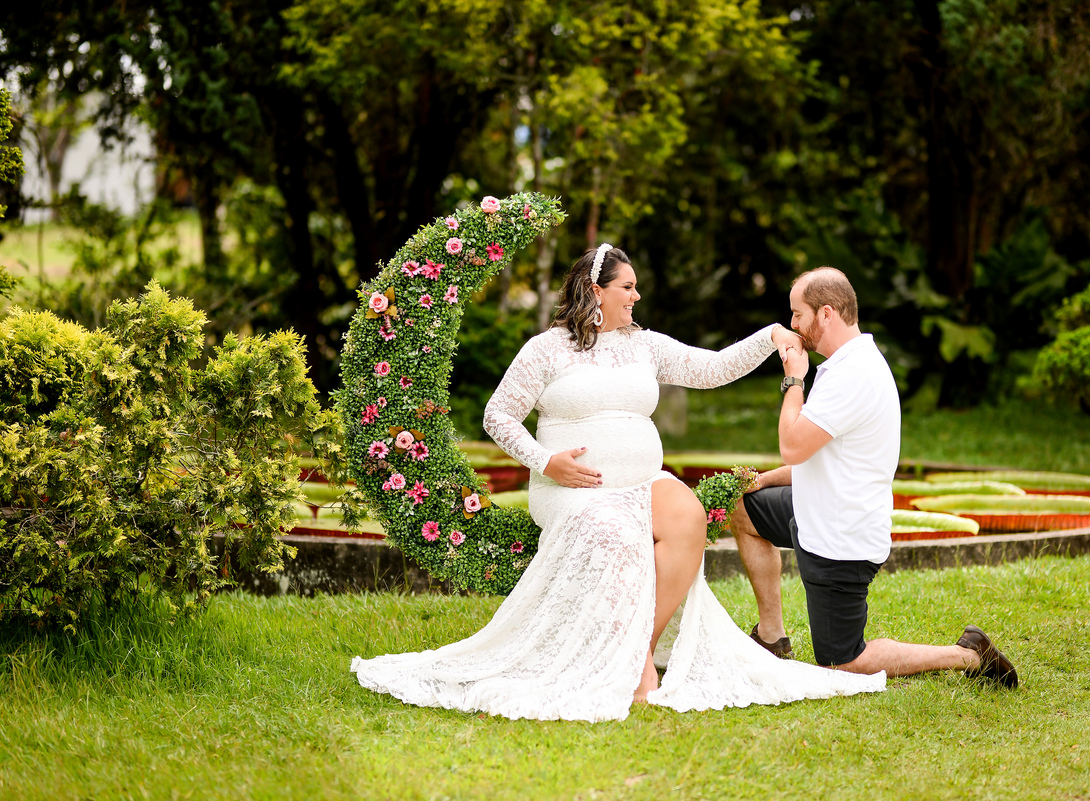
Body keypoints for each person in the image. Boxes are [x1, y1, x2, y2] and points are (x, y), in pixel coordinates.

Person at [350, 246, 886, 721]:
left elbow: (713, 367)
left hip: (641, 482)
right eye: (627, 287)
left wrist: (772, 338)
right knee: (614, 532)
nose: (636, 295)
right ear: (595, 291)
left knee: (688, 517)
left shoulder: (644, 345)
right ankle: (634, 668)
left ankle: (636, 650)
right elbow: (498, 416)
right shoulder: (546, 349)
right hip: (574, 489)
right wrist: (546, 461)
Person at [730, 266, 1018, 687]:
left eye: (798, 314)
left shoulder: (853, 375)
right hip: (814, 509)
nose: (792, 326)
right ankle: (772, 636)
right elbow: (815, 457)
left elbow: (793, 444)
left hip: (841, 536)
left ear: (826, 314)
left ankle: (968, 655)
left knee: (842, 662)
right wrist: (760, 482)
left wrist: (794, 379)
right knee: (743, 510)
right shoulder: (845, 364)